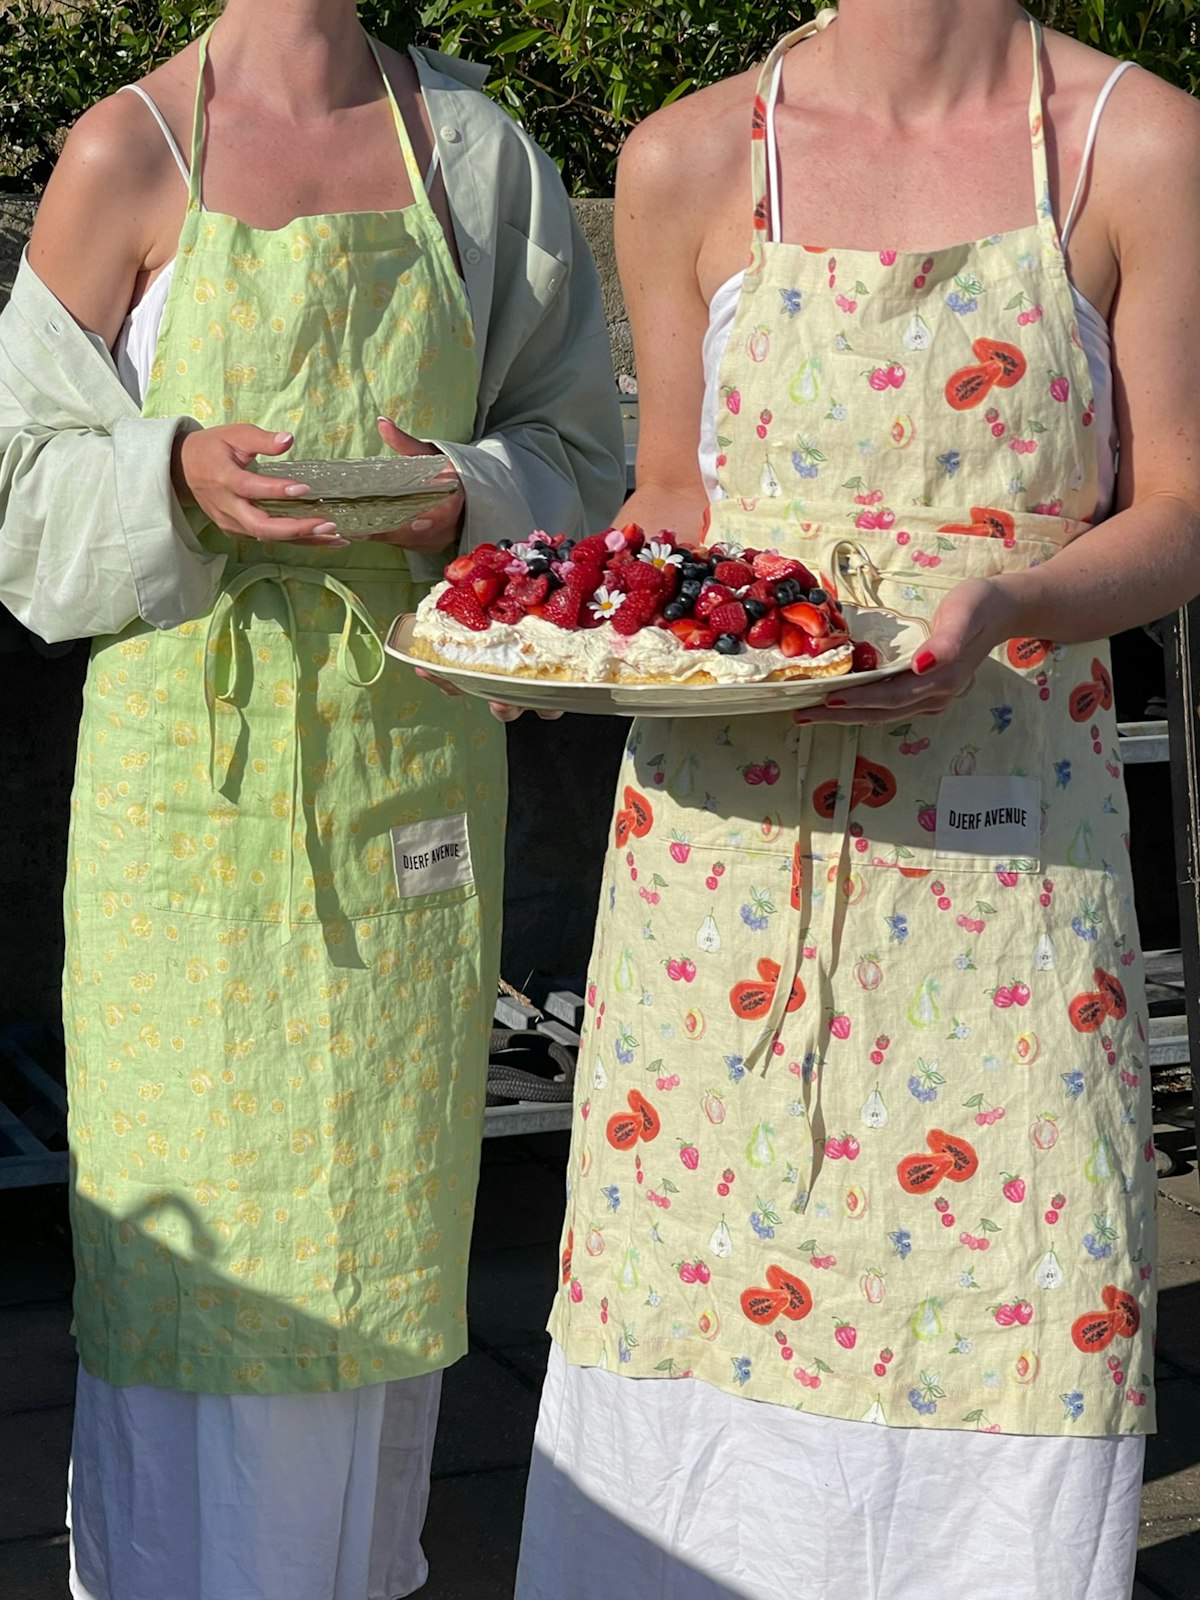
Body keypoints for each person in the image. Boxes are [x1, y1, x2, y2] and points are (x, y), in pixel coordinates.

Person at [516, 5, 1200, 1598]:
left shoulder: (1139, 145)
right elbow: (674, 501)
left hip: (1008, 877)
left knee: (1025, 1318)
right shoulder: (688, 157)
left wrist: (1008, 596)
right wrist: (560, 620)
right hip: (721, 891)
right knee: (688, 1322)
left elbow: (1180, 508)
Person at [0, 1, 623, 1596]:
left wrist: (462, 496)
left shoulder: (477, 161)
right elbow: (16, 489)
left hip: (406, 770)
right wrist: (173, 472)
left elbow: (581, 448)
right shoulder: (123, 154)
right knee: (195, 1251)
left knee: (377, 1228)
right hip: (182, 800)